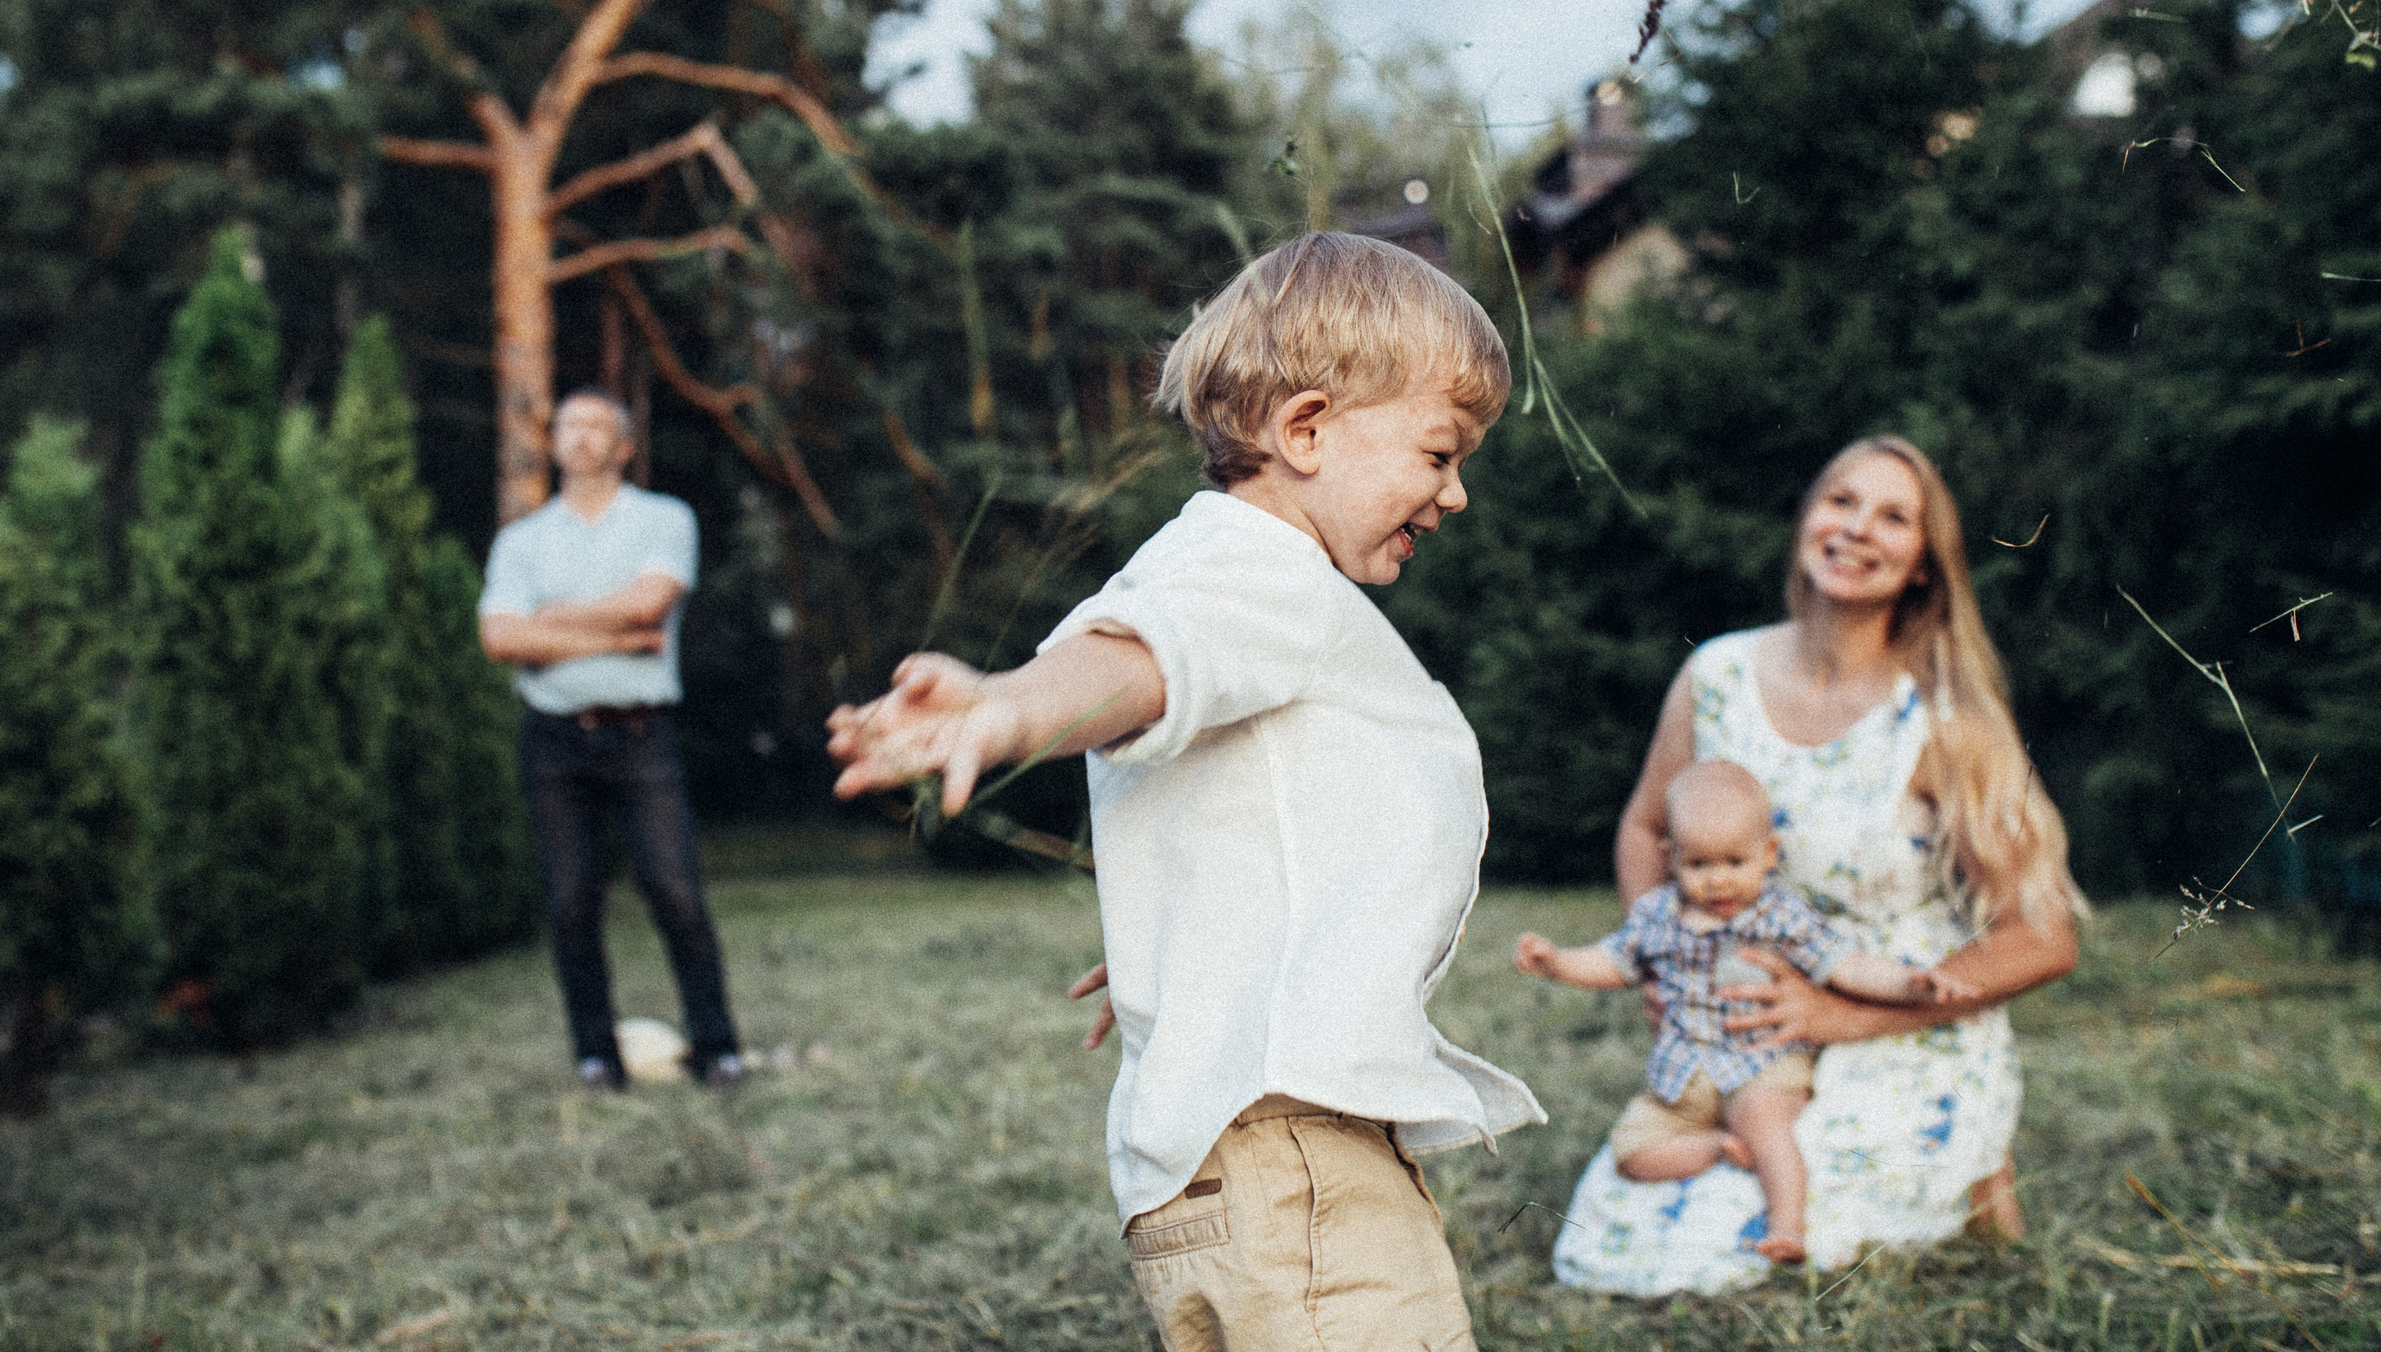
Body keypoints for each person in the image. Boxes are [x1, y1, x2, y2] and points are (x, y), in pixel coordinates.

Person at [826, 233, 1545, 1352]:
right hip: (1296, 1158)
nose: (1454, 494)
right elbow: (1138, 662)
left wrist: (1190, 937)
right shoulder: (1264, 577)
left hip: (1216, 1182)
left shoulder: (1211, 562)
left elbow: (1245, 806)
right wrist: (1010, 708)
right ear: (1305, 431)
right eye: (1439, 452)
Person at [1549, 435, 2086, 1295]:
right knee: (1618, 1234)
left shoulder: (1944, 717)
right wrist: (1659, 953)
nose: (1858, 528)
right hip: (1748, 1037)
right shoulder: (1715, 673)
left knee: (1745, 1235)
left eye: (1893, 515)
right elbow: (1648, 826)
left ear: (1923, 564)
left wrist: (1842, 1012)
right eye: (1841, 500)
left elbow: (2044, 935)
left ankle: (1975, 1165)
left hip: (1901, 1025)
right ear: (1807, 518)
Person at [1513, 758, 1981, 1264]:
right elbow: (1612, 960)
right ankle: (1714, 1148)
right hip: (1683, 1069)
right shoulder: (1657, 915)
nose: (1718, 881)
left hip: (1762, 1057)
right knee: (1632, 1153)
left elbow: (1846, 964)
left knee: (1765, 1122)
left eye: (1735, 863)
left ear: (1768, 854)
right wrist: (1557, 962)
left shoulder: (1778, 915)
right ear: (1672, 859)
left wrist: (1909, 983)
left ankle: (1787, 1226)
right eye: (1699, 865)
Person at [479, 388, 746, 1092]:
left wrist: (553, 625)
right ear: (554, 442)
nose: (581, 436)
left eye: (597, 425)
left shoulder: (663, 520)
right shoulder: (522, 540)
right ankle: (595, 1055)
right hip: (553, 739)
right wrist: (615, 634)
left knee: (674, 890)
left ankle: (719, 1048)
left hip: (641, 736)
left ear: (623, 446)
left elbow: (649, 606)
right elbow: (501, 635)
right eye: (569, 424)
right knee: (571, 900)